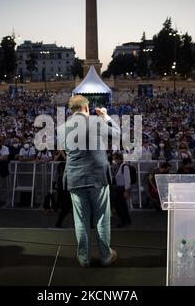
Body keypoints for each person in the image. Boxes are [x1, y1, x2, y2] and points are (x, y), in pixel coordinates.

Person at [59, 95, 120, 267]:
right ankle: (106, 257)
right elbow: (118, 135)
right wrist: (105, 117)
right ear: (86, 108)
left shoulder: (62, 128)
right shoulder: (96, 122)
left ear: (71, 111)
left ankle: (84, 258)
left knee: (81, 220)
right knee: (102, 218)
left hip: (75, 178)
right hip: (97, 178)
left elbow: (66, 150)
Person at [111, 152, 132, 228]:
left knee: (119, 205)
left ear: (118, 158)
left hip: (122, 189)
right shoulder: (118, 166)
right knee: (122, 205)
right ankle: (127, 219)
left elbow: (127, 179)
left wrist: (126, 191)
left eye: (114, 158)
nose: (113, 159)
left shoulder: (124, 167)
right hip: (118, 188)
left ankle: (123, 221)